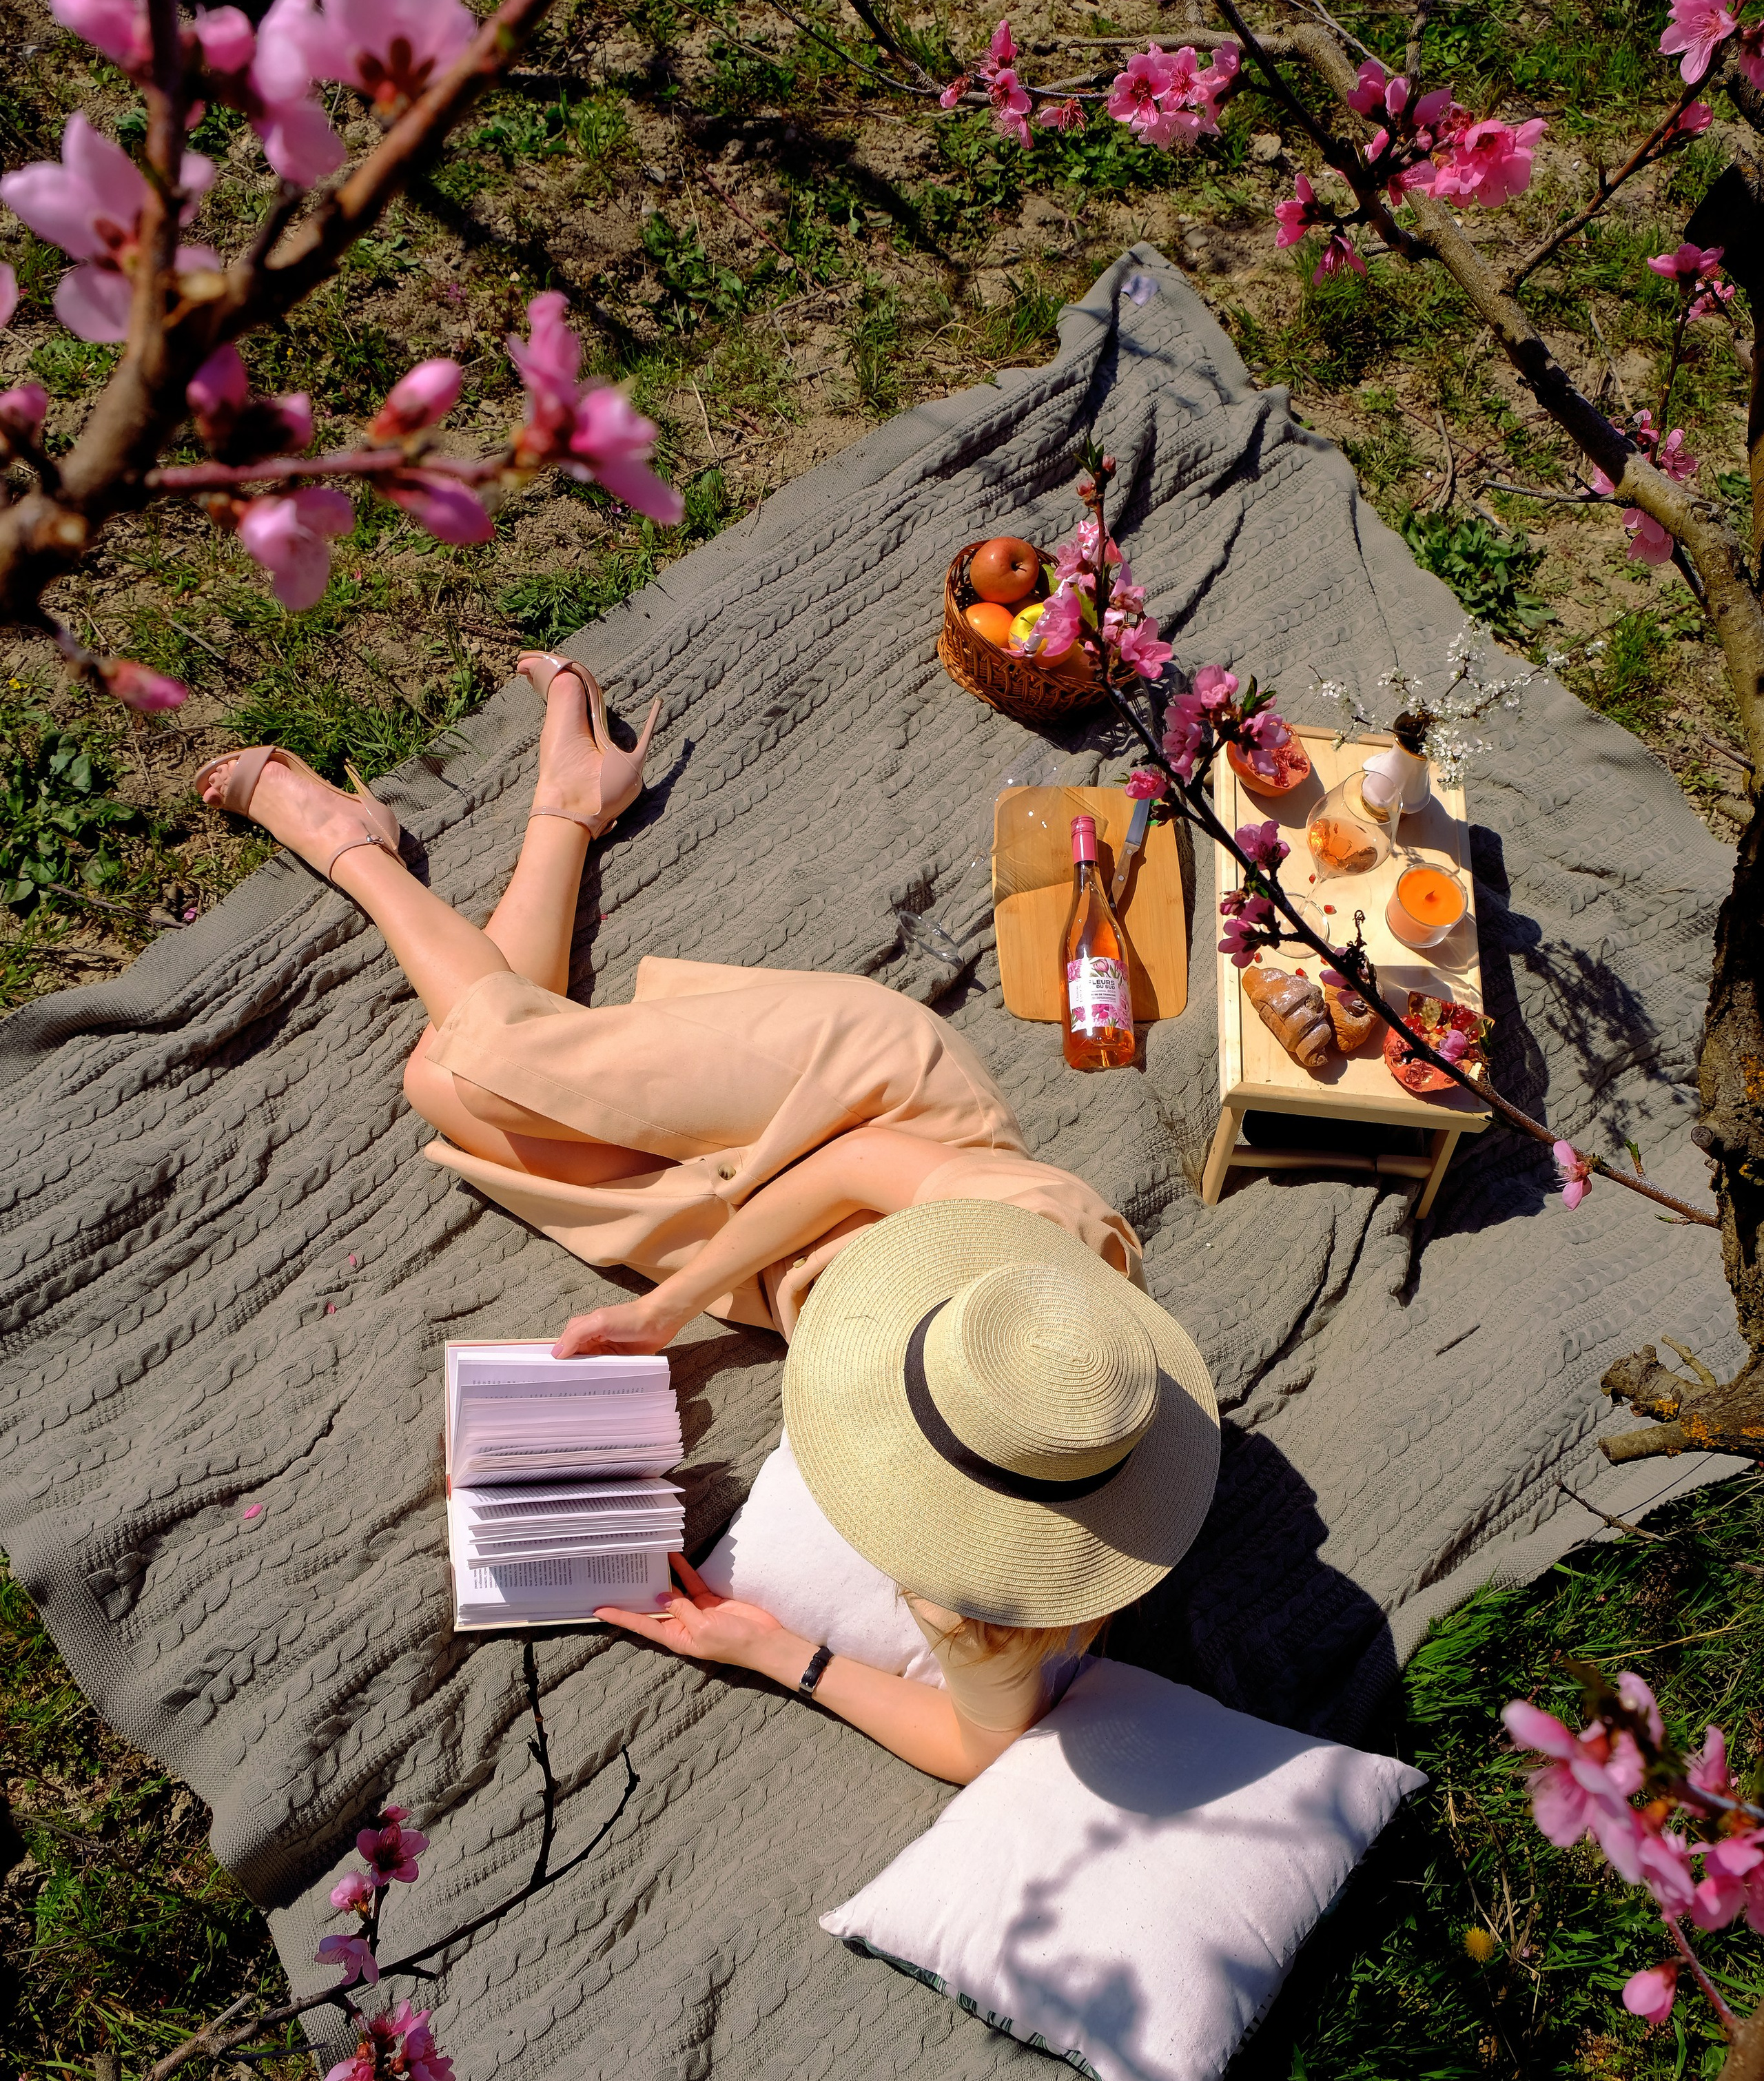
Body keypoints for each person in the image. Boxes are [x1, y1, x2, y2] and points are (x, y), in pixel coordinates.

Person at [196, 655, 1220, 1781]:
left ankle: (572, 805)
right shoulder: (1051, 1248)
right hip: (870, 1102)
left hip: (797, 1278)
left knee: (447, 1085)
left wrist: (780, 1653)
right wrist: (668, 1312)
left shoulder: (1006, 1587)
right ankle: (357, 847)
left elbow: (985, 1747)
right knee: (492, 1066)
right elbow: (857, 1166)